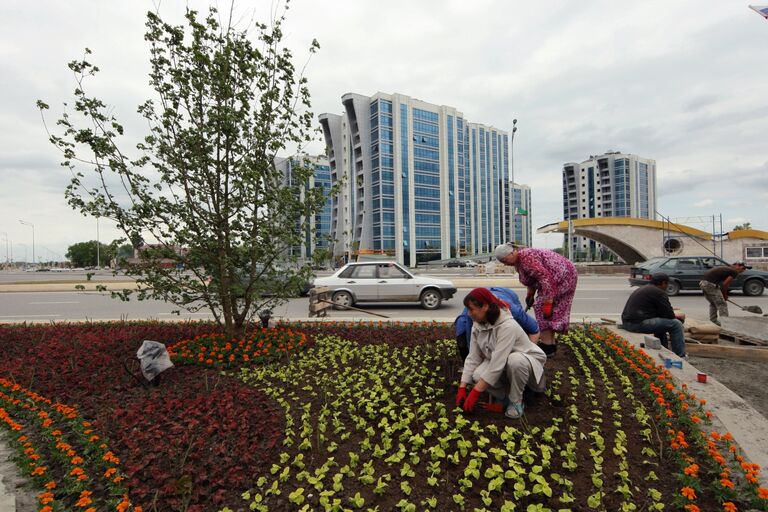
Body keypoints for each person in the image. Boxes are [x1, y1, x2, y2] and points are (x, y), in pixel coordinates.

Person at [456, 288, 547, 419]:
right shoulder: (478, 324)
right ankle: (505, 399)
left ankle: (516, 402)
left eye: (472, 309)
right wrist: (463, 386)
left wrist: (475, 392)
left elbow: (497, 364)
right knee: (477, 375)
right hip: (502, 362)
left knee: (515, 360)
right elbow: (473, 357)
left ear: (485, 306)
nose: (469, 314)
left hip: (525, 362)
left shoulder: (507, 326)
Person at [494, 243, 578, 357]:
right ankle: (551, 344)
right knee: (544, 310)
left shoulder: (526, 258)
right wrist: (530, 294)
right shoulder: (519, 260)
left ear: (512, 252)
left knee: (542, 309)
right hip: (558, 278)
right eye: (502, 262)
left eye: (505, 260)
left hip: (562, 277)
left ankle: (547, 347)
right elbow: (532, 279)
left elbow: (545, 278)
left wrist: (548, 302)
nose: (505, 263)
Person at [454, 286, 540, 362]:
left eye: (471, 311)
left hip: (505, 293)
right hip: (481, 298)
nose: (470, 314)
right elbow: (473, 350)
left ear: (485, 307)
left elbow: (534, 330)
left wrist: (527, 356)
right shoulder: (471, 314)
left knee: (516, 357)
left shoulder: (512, 310)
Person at [620, 272, 687, 357]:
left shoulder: (645, 288)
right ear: (663, 283)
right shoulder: (658, 292)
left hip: (628, 322)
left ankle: (664, 351)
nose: (667, 286)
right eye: (667, 284)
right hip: (637, 324)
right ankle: (680, 356)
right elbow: (669, 315)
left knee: (663, 324)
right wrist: (679, 317)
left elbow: (661, 313)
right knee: (676, 324)